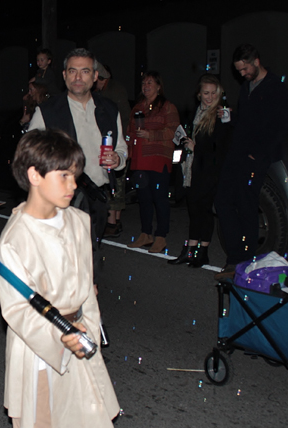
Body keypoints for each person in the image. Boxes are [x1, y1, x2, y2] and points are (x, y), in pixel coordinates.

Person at [0, 129, 119, 428]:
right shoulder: (14, 241)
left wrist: (90, 331)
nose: (72, 184)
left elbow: (87, 287)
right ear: (34, 175)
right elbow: (16, 309)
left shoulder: (78, 221)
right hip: (39, 350)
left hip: (81, 333)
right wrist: (59, 337)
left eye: (75, 174)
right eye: (63, 174)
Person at [27, 48, 127, 285]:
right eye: (73, 71)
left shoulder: (109, 109)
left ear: (95, 76)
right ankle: (78, 309)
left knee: (88, 252)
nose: (78, 77)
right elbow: (29, 155)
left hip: (98, 197)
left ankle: (79, 304)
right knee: (69, 258)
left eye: (85, 71)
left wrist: (118, 158)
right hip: (62, 200)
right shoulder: (47, 111)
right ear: (64, 75)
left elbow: (121, 148)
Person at [215, 44, 288, 280]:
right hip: (237, 153)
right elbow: (247, 121)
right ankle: (236, 254)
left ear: (256, 61)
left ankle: (242, 260)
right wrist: (230, 117)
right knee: (223, 201)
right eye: (238, 71)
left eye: (245, 69)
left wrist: (258, 153)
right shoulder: (247, 86)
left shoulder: (275, 87)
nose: (242, 74)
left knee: (247, 206)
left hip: (256, 157)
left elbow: (278, 126)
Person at [171, 74, 232, 267]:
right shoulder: (197, 112)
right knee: (194, 210)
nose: (210, 96)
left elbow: (221, 148)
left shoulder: (220, 115)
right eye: (206, 92)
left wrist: (197, 148)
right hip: (192, 169)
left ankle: (201, 251)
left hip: (208, 171)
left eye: (214, 93)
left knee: (203, 211)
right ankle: (191, 249)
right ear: (199, 94)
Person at [127, 71, 179, 254]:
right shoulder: (137, 107)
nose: (146, 86)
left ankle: (161, 236)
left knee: (159, 199)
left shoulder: (167, 107)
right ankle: (146, 234)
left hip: (158, 160)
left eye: (150, 83)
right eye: (143, 83)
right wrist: (126, 151)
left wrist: (151, 135)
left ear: (158, 86)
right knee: (144, 199)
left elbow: (174, 131)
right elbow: (129, 132)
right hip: (140, 161)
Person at [95, 64, 131, 238]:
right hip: (110, 141)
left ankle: (113, 223)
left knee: (116, 184)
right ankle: (113, 222)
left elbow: (122, 117)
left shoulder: (113, 92)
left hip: (116, 142)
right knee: (114, 184)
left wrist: (121, 140)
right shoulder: (107, 92)